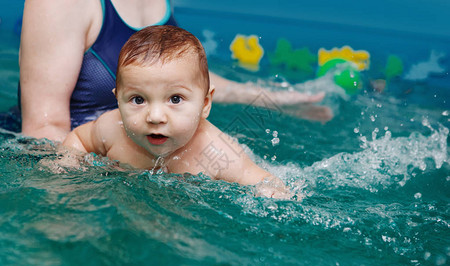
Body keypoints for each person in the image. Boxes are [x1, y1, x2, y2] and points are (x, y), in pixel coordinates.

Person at [19, 0, 329, 143]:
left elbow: (181, 76)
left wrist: (265, 98)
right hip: (76, 156)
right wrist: (125, 167)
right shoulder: (60, 3)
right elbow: (43, 130)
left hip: (149, 141)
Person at [62, 25, 289, 198]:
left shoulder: (217, 152)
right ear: (118, 101)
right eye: (138, 99)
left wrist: (274, 193)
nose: (155, 117)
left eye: (175, 99)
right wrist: (68, 163)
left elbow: (264, 181)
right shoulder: (111, 128)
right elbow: (79, 140)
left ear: (206, 103)